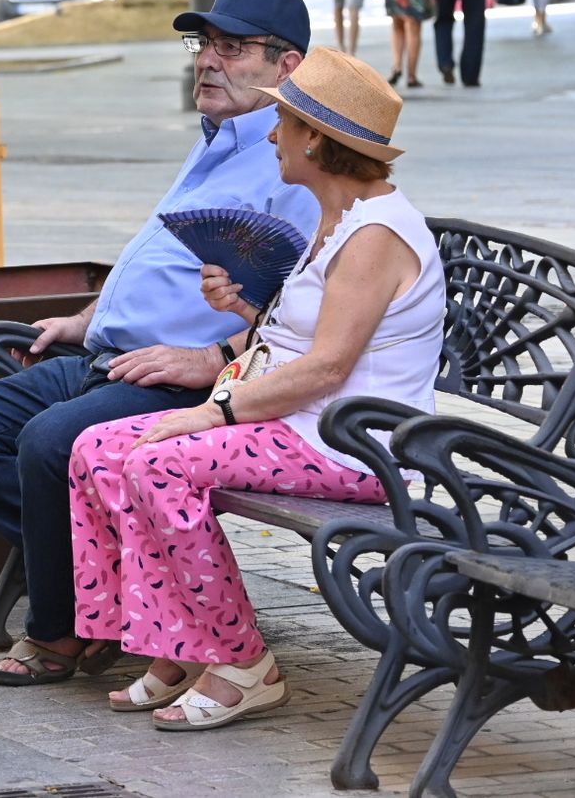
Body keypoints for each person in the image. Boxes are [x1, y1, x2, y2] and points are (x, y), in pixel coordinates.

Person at [0, 0, 322, 685]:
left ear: (286, 64)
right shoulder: (218, 140)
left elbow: (297, 311)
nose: (207, 60)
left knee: (51, 442)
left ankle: (65, 629)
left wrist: (208, 358)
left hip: (179, 378)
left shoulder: (290, 164)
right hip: (103, 354)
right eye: (206, 44)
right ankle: (107, 581)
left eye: (232, 48)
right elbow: (155, 255)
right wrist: (83, 319)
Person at [69, 47, 444, 730]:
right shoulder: (336, 220)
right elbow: (302, 341)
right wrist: (247, 315)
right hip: (301, 424)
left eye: (286, 123)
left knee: (160, 461)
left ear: (317, 142)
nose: (273, 134)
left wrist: (213, 412)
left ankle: (244, 663)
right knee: (95, 447)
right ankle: (177, 645)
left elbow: (328, 369)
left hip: (354, 446)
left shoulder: (376, 235)